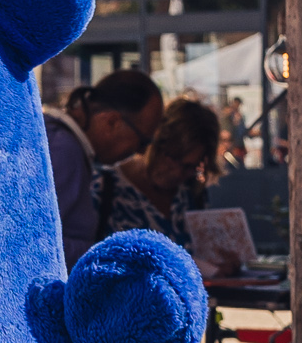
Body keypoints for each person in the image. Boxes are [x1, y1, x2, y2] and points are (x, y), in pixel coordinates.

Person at [44, 68, 163, 267]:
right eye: (142, 142)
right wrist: (107, 255)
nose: (140, 153)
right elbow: (34, 241)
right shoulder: (64, 150)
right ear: (112, 121)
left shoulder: (62, 142)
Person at [95, 96, 222, 249]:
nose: (177, 173)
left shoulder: (192, 193)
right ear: (154, 143)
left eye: (190, 166)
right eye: (173, 157)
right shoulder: (106, 188)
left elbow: (205, 252)